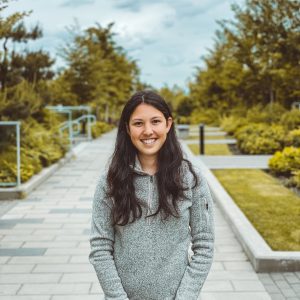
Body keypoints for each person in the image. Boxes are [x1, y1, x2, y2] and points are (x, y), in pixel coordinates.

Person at [89, 90, 215, 300]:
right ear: (128, 128)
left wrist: (185, 297)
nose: (148, 131)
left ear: (168, 124)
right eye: (138, 123)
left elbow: (205, 245)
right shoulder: (109, 181)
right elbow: (100, 248)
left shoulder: (191, 178)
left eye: (155, 121)